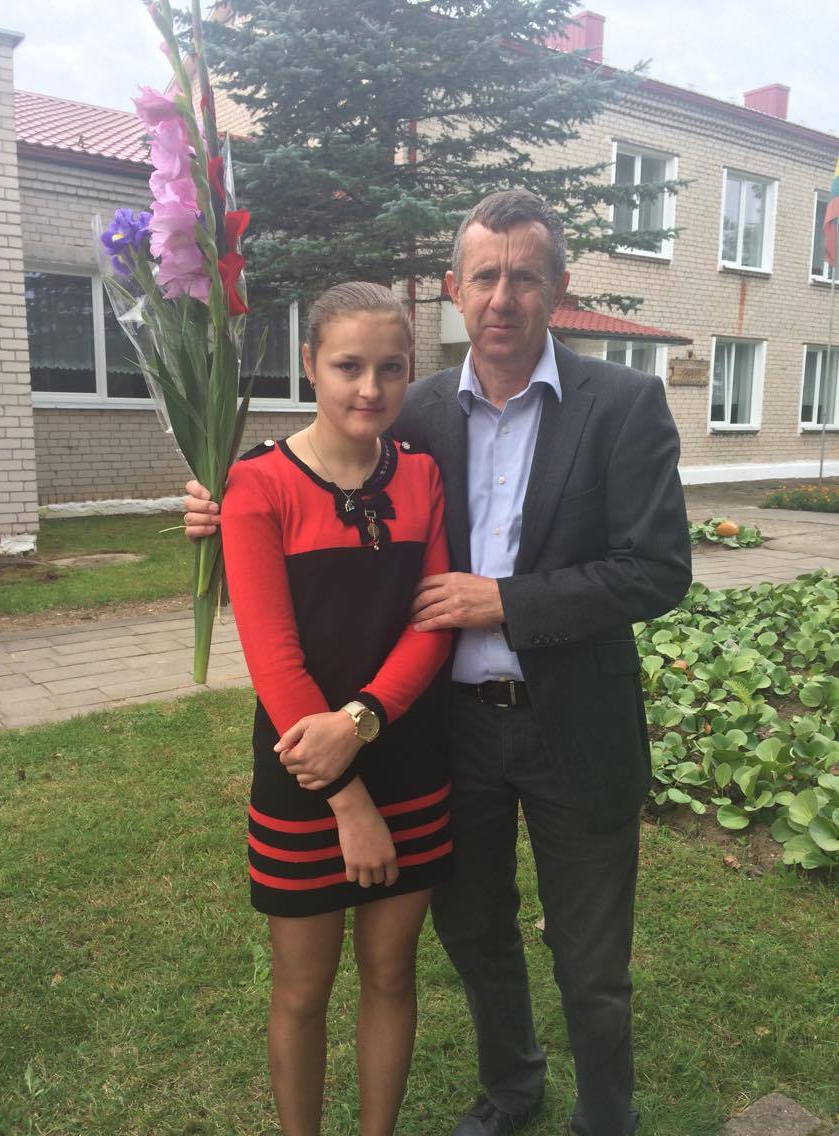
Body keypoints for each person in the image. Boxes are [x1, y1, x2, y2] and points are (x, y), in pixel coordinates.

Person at [185, 191, 692, 1136]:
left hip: (574, 719)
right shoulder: (416, 409)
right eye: (485, 276)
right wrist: (228, 498)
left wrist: (508, 601)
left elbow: (658, 569)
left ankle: (605, 1118)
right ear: (455, 289)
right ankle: (512, 1087)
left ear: (559, 288)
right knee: (476, 933)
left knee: (591, 956)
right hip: (447, 730)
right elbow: (328, 467)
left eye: (526, 276)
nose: (503, 297)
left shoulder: (622, 403)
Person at [219, 281, 453, 1136]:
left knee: (391, 973)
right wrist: (347, 802)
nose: (371, 388)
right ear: (310, 363)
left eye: (392, 368)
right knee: (302, 990)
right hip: (303, 770)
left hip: (409, 757)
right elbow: (273, 658)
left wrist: (361, 722)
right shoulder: (257, 484)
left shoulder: (422, 475)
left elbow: (432, 624)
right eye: (349, 366)